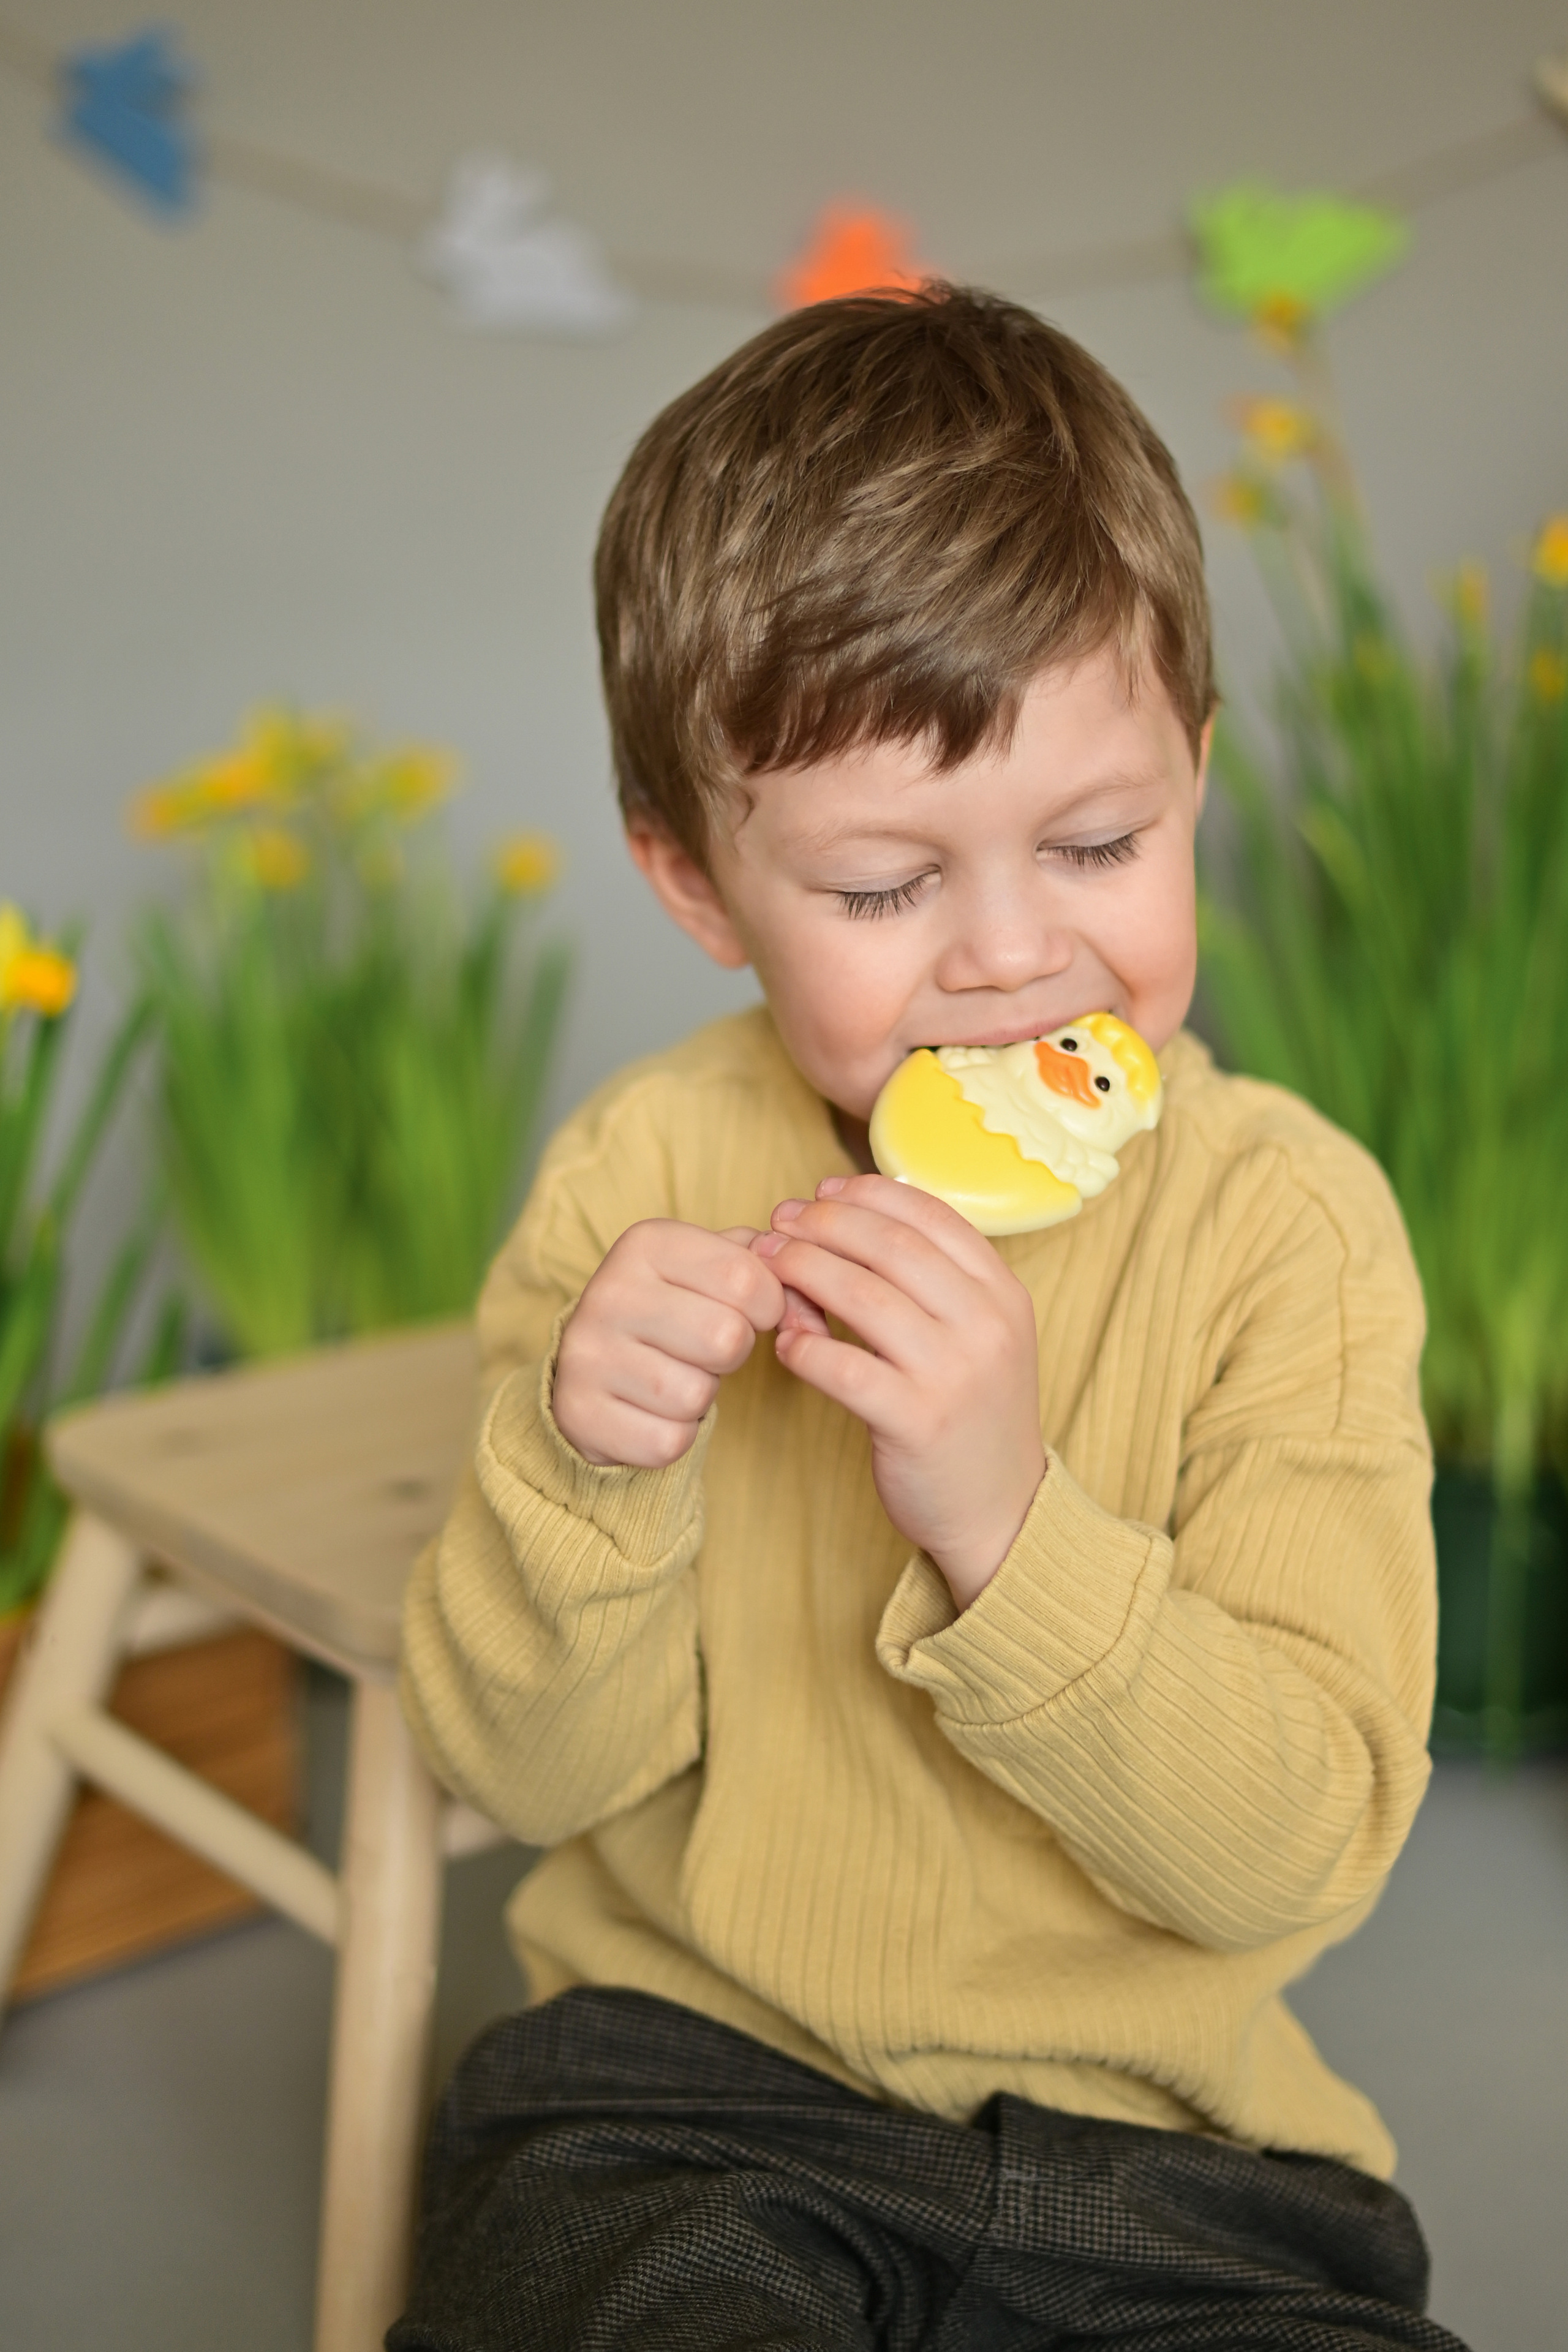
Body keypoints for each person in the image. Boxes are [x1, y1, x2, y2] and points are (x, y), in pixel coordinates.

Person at [391, 286, 1467, 2351]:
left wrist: (1008, 1523)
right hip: (692, 2095)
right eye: (885, 885)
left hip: (1188, 2157)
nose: (1010, 957)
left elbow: (1296, 1847)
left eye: (1097, 842)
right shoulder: (642, 1176)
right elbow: (519, 1773)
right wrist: (587, 1467)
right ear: (698, 883)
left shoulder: (1287, 1228)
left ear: (1200, 778)